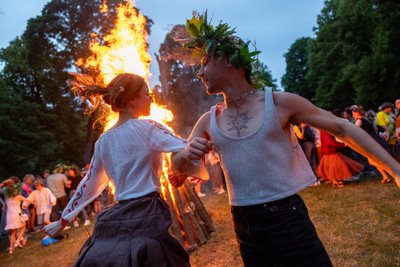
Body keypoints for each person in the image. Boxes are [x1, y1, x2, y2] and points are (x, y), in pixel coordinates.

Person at [169, 12, 400, 267]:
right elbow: (177, 172)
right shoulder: (208, 120)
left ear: (227, 59)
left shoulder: (279, 103)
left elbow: (342, 128)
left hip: (285, 219)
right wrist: (184, 153)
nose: (200, 73)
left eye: (204, 62)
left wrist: (395, 169)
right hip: (243, 225)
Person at [43, 73, 192, 267]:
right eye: (147, 94)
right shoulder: (148, 127)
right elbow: (185, 147)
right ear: (132, 99)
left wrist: (63, 220)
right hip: (148, 211)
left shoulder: (103, 140)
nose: (151, 99)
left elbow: (89, 184)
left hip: (120, 214)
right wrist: (184, 171)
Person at [351, 105, 393, 183]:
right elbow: (374, 130)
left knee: (374, 161)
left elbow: (354, 131)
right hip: (374, 139)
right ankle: (385, 176)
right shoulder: (368, 119)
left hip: (368, 141)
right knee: (373, 160)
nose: (353, 115)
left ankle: (391, 174)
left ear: (357, 113)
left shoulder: (359, 121)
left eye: (353, 113)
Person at [2, 179, 33, 254]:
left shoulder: (7, 198)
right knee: (23, 226)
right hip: (17, 214)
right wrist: (33, 200)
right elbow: (29, 201)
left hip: (9, 216)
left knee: (13, 232)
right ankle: (18, 241)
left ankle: (11, 249)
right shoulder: (18, 196)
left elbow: (4, 207)